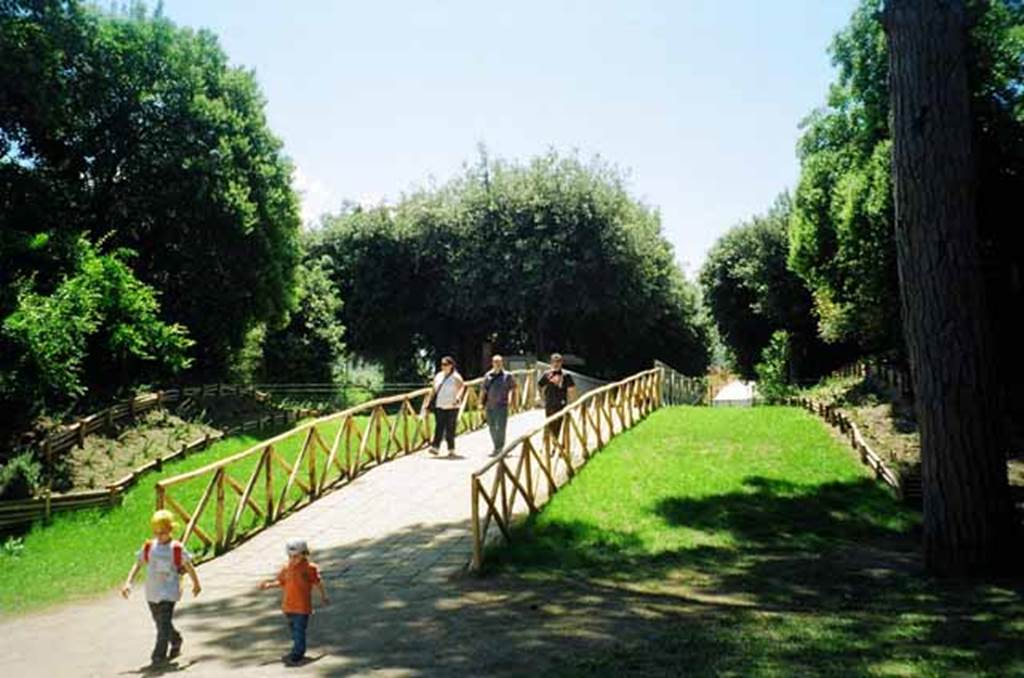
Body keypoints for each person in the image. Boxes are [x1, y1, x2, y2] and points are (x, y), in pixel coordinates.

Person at [121, 510, 202, 666]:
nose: (159, 536)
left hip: (169, 591)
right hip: (152, 592)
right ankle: (176, 639)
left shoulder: (176, 548)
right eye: (156, 532)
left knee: (163, 623)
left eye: (163, 532)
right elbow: (138, 564)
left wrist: (196, 583)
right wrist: (128, 582)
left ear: (170, 530)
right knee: (161, 623)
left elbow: (188, 566)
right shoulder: (149, 547)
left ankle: (158, 656)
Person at [259, 539, 329, 666]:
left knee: (299, 630)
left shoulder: (309, 568)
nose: (292, 559)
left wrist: (323, 596)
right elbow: (281, 581)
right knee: (293, 629)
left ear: (304, 554)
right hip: (288, 606)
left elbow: (318, 583)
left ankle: (298, 652)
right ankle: (298, 645)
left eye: (295, 556)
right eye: (290, 556)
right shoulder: (286, 568)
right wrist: (269, 585)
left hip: (302, 607)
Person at [480, 354, 518, 456]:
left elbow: (513, 388)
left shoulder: (508, 376)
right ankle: (496, 446)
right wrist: (480, 404)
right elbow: (483, 390)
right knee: (492, 427)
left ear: (502, 363)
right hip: (490, 405)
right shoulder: (488, 375)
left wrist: (511, 400)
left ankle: (499, 448)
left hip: (502, 405)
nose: (497, 364)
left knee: (501, 427)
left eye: (499, 362)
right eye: (495, 362)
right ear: (492, 363)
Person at [428, 356, 465, 456]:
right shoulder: (438, 376)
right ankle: (435, 447)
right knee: (439, 426)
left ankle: (451, 449)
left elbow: (462, 387)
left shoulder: (456, 376)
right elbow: (433, 390)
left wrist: (457, 397)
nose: (443, 366)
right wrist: (428, 402)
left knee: (450, 428)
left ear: (451, 365)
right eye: (442, 364)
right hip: (439, 404)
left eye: (446, 364)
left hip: (452, 406)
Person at [538, 353, 576, 443]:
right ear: (551, 363)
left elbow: (572, 390)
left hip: (561, 404)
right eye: (554, 362)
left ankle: (560, 445)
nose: (556, 364)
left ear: (561, 363)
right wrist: (540, 397)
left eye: (558, 361)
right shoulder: (547, 374)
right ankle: (552, 445)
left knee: (561, 425)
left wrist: (573, 403)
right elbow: (539, 385)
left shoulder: (566, 376)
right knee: (550, 425)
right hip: (549, 404)